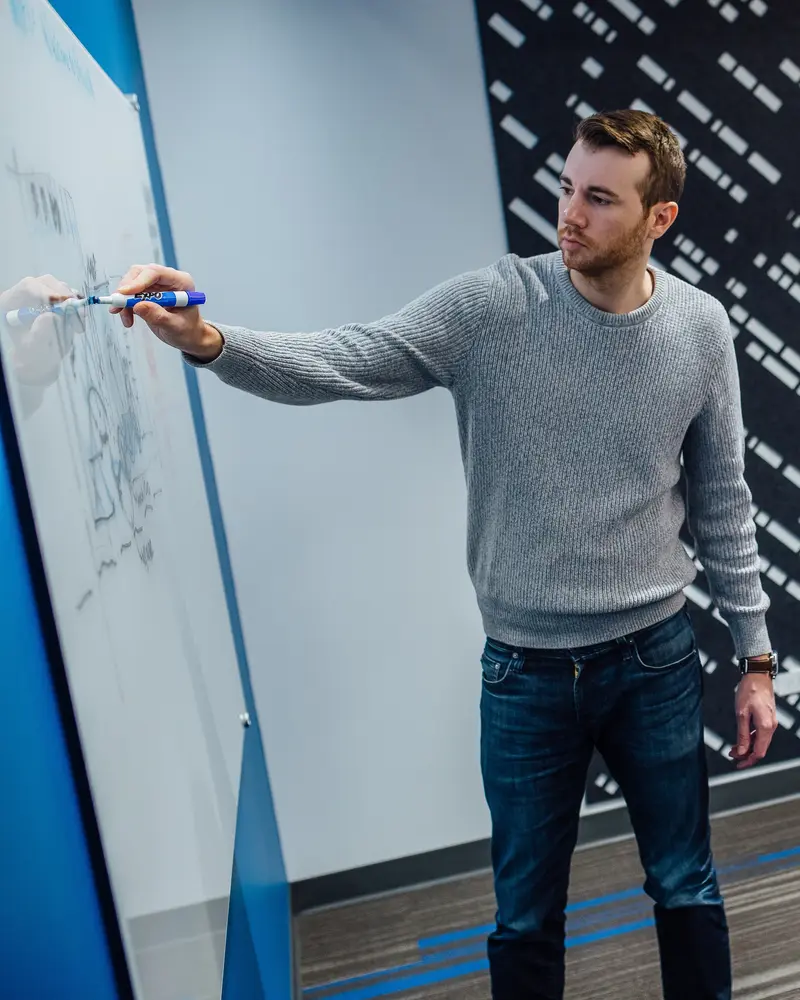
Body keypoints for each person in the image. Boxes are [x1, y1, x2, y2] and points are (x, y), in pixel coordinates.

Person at [113, 110, 778, 1000]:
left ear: (660, 218)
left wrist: (757, 657)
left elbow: (724, 500)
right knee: (525, 919)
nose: (569, 214)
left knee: (685, 887)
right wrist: (210, 342)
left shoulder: (700, 329)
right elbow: (350, 358)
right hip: (526, 674)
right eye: (567, 188)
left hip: (653, 658)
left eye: (600, 200)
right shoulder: (496, 307)